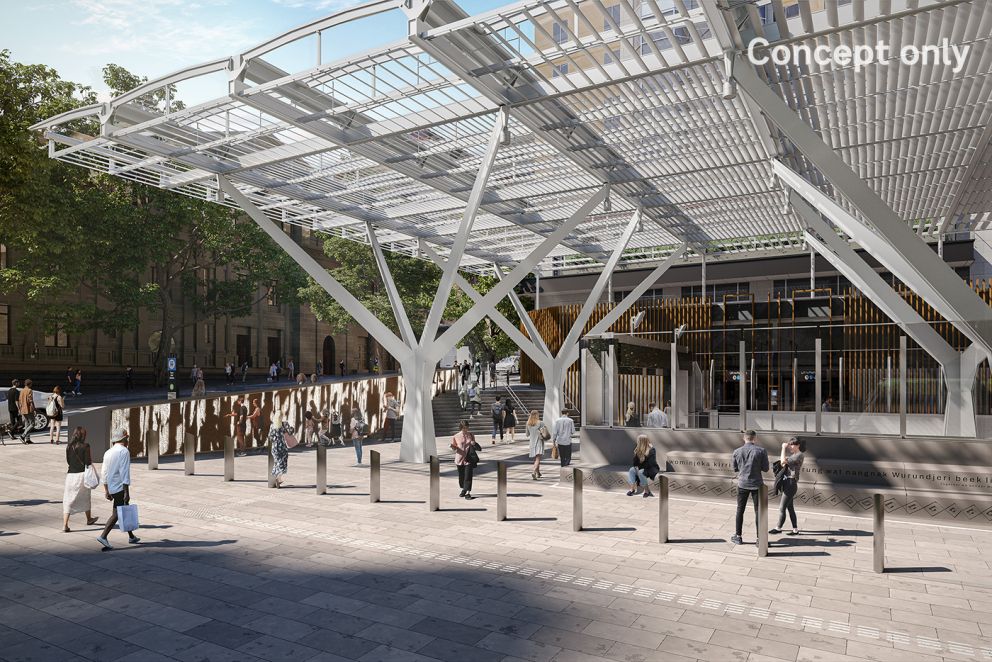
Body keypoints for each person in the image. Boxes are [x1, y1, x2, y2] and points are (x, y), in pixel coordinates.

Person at [97, 428, 140, 550]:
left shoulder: (108, 452)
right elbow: (124, 472)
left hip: (112, 487)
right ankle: (103, 536)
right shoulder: (124, 451)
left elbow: (104, 472)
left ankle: (131, 536)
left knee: (124, 510)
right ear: (125, 438)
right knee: (116, 513)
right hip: (120, 487)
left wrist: (106, 490)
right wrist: (127, 491)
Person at [731, 430, 769, 546]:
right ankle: (759, 539)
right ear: (755, 439)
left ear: (744, 438)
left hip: (742, 484)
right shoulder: (761, 451)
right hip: (757, 484)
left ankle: (738, 536)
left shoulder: (737, 451)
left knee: (740, 510)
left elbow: (735, 468)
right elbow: (766, 468)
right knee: (758, 512)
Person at [63, 427, 98, 532]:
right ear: (83, 435)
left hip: (70, 476)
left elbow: (68, 461)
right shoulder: (85, 446)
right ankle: (89, 519)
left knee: (68, 499)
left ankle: (65, 524)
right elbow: (88, 462)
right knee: (85, 496)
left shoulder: (69, 446)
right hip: (82, 475)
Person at [770, 437, 805, 536]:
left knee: (782, 508)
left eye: (792, 444)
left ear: (798, 445)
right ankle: (795, 529)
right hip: (788, 482)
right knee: (790, 507)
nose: (790, 446)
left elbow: (782, 462)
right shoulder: (794, 455)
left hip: (791, 483)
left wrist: (783, 448)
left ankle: (778, 528)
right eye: (789, 444)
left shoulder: (799, 455)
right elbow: (783, 461)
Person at [450, 420, 479, 500]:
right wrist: (453, 447)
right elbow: (454, 448)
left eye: (467, 428)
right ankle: (463, 488)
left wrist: (474, 443)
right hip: (459, 458)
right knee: (461, 476)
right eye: (464, 428)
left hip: (469, 458)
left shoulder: (471, 435)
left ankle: (468, 492)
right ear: (461, 428)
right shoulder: (456, 436)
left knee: (468, 476)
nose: (466, 429)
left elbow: (474, 445)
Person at [269, 412, 294, 488]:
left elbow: (270, 436)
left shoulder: (272, 425)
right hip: (282, 446)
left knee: (277, 462)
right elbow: (290, 432)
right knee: (283, 462)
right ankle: (278, 478)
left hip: (274, 447)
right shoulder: (284, 424)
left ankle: (276, 478)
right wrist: (292, 428)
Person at [526, 410, 544, 480]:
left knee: (537, 458)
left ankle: (538, 473)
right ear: (537, 415)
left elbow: (527, 434)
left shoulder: (528, 423)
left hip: (532, 443)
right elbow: (545, 431)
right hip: (539, 442)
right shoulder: (540, 423)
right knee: (538, 458)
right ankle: (534, 472)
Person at [18, 378, 36, 444]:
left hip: (23, 409)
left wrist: (19, 409)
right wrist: (34, 409)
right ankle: (23, 436)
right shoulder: (29, 390)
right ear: (30, 384)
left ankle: (27, 439)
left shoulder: (22, 391)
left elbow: (19, 401)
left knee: (27, 424)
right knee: (33, 424)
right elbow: (30, 400)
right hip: (28, 409)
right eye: (31, 384)